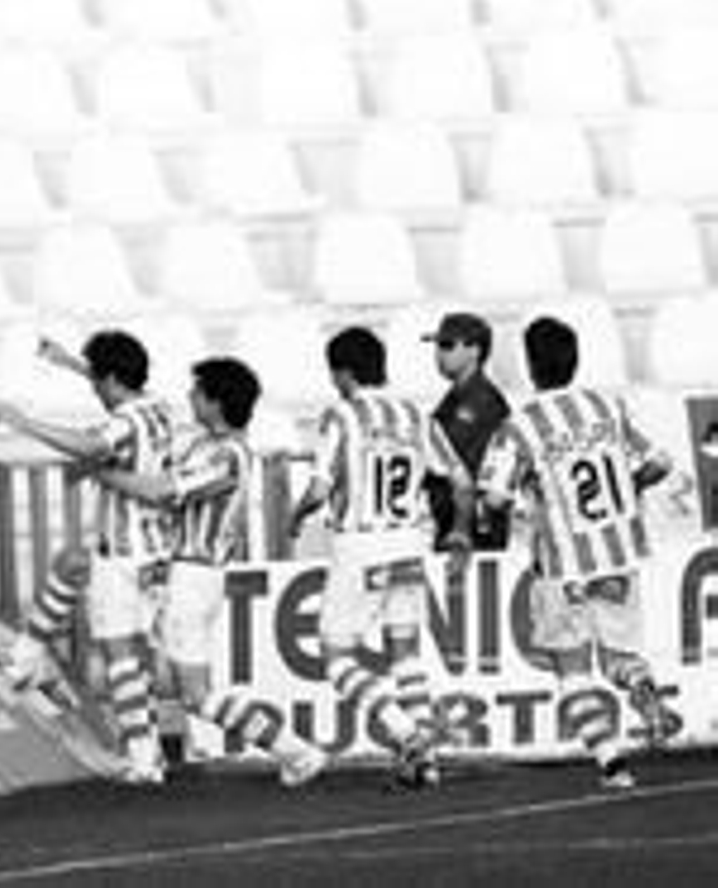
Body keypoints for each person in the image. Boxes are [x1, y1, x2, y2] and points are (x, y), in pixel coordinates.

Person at [94, 357, 327, 788]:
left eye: (197, 392)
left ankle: (296, 751)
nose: (190, 397)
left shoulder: (229, 456)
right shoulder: (206, 444)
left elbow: (163, 491)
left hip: (195, 577)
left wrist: (103, 473)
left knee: (195, 694)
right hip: (183, 574)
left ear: (216, 403)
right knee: (148, 668)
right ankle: (146, 761)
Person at [478, 317, 683, 789]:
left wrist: (511, 511)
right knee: (619, 658)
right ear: (575, 360)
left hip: (562, 565)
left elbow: (495, 497)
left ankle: (613, 765)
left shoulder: (520, 427)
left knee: (570, 669)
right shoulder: (606, 408)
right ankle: (641, 687)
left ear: (530, 366)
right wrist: (629, 488)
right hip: (616, 554)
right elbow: (660, 462)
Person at [0, 330, 178, 784]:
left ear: (111, 380)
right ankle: (26, 657)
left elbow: (89, 446)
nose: (94, 392)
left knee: (120, 655)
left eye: (96, 382)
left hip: (124, 551)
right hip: (154, 549)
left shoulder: (125, 422)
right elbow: (115, 382)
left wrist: (24, 422)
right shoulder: (158, 407)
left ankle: (144, 760)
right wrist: (68, 362)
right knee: (71, 564)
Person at [288, 326, 471, 789]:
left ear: (344, 373)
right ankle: (426, 763)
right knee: (405, 656)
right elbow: (460, 479)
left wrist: (295, 516)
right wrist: (459, 528)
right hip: (408, 543)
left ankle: (405, 732)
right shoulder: (415, 415)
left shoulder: (342, 416)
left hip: (361, 546)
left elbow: (319, 489)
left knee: (336, 658)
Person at [423, 312, 510, 551]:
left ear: (475, 350)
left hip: (472, 528)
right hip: (455, 522)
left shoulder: (481, 400)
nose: (439, 354)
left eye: (447, 345)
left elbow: (449, 459)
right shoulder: (455, 398)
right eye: (438, 345)